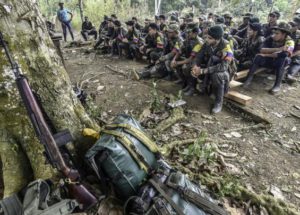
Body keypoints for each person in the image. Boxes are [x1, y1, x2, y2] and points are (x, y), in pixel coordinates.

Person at [192, 25, 234, 114]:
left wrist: (203, 71)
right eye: (207, 37)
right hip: (209, 66)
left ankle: (219, 102)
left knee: (217, 75)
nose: (207, 39)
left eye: (210, 38)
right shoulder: (207, 43)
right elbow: (199, 55)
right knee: (190, 67)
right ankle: (201, 87)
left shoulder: (226, 47)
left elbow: (224, 67)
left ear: (217, 39)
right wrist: (195, 66)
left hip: (224, 71)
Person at [244, 22, 294, 94]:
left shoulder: (290, 42)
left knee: (283, 60)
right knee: (258, 56)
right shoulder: (271, 38)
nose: (274, 35)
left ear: (284, 34)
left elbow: (284, 54)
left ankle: (277, 85)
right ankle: (248, 79)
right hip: (270, 60)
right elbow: (261, 49)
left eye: (277, 33)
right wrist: (278, 49)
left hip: (279, 63)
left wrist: (267, 54)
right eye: (274, 32)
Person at [171, 23, 204, 96]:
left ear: (195, 33)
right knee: (176, 63)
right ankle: (185, 83)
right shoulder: (187, 40)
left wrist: (178, 63)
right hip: (189, 59)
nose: (187, 33)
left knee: (188, 67)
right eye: (187, 32)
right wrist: (174, 59)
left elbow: (191, 59)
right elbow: (180, 51)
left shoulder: (199, 43)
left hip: (197, 62)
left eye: (189, 32)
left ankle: (192, 88)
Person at [286, 16, 300, 82]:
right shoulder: (284, 30)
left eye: (294, 25)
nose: (291, 26)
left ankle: (290, 75)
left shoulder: (298, 35)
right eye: (291, 24)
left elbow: (299, 50)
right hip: (282, 51)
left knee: (297, 61)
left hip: (292, 54)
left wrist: (291, 55)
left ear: (298, 27)